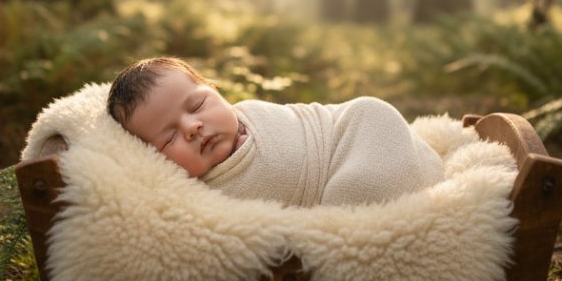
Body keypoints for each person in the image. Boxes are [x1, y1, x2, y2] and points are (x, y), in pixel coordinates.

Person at [106, 57, 445, 207]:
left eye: (197, 106)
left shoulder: (250, 115)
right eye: (169, 138)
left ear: (217, 91)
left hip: (357, 128)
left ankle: (414, 173)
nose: (193, 127)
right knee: (356, 195)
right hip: (341, 180)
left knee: (369, 123)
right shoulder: (201, 198)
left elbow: (316, 122)